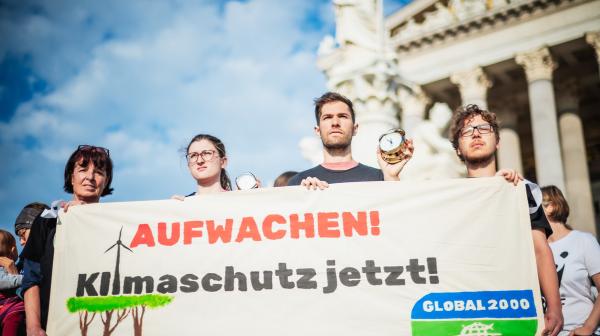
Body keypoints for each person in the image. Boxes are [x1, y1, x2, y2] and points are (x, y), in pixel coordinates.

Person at [449, 104, 563, 336]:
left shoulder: (520, 191)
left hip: (518, 308)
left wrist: (555, 307)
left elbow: (540, 249)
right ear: (458, 149)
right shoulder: (449, 198)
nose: (476, 134)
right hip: (467, 312)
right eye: (467, 131)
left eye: (483, 128)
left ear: (498, 141)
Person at [20, 145, 113, 336]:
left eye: (99, 171)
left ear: (106, 180)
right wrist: (33, 327)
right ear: (71, 177)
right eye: (82, 169)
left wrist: (178, 209)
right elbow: (31, 278)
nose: (90, 177)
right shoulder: (47, 221)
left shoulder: (115, 224)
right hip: (54, 327)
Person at [288, 92, 413, 188]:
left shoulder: (380, 178)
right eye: (327, 117)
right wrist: (304, 197)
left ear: (355, 129)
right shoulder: (298, 183)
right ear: (317, 130)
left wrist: (391, 178)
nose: (335, 123)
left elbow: (397, 217)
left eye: (343, 116)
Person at [542, 185, 600, 336]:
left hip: (580, 329)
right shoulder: (535, 251)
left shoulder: (583, 240)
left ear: (551, 207)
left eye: (533, 206)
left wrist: (588, 328)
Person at [0, 230, 25, 336]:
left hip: (8, 304)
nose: (21, 243)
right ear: (13, 249)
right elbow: (2, 281)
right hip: (7, 305)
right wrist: (23, 279)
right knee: (13, 318)